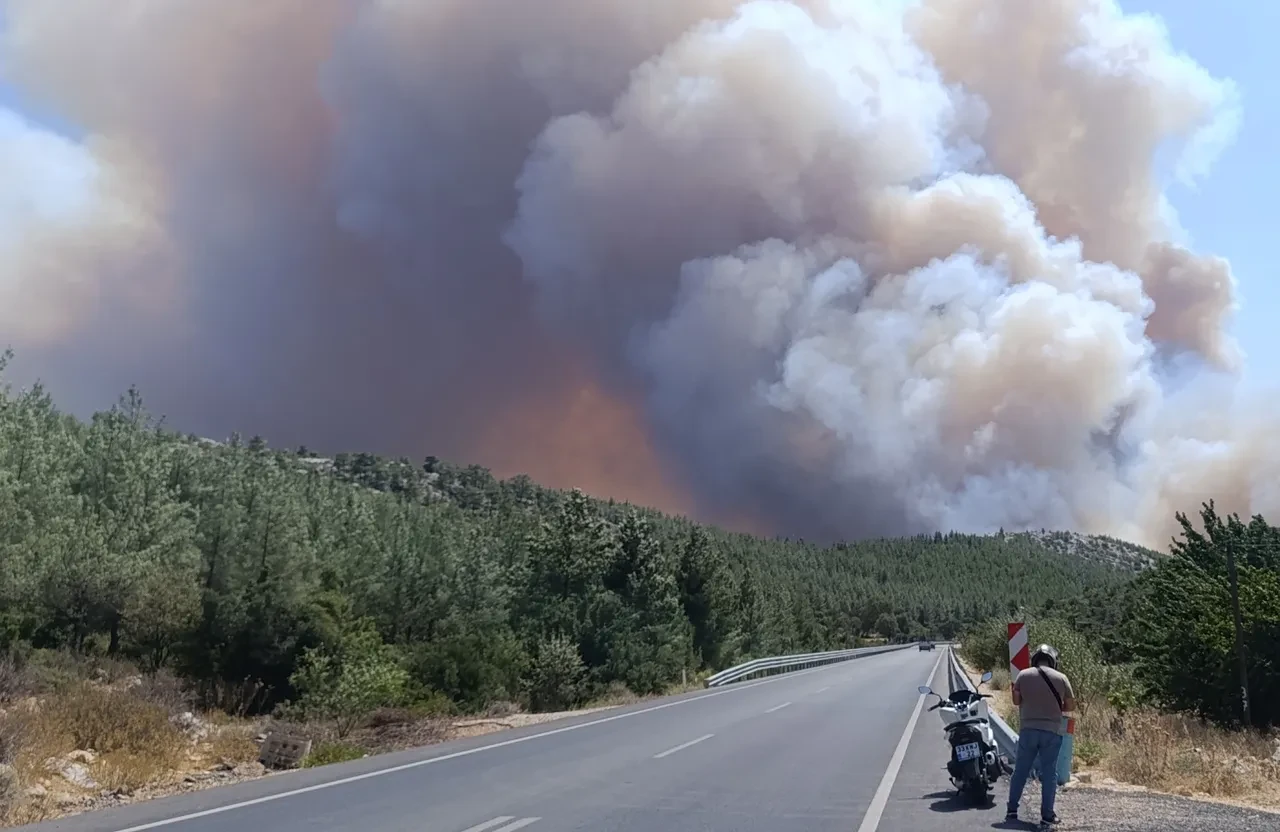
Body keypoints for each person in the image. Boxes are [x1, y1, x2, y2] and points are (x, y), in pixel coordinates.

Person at [1006, 643, 1075, 829]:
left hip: (1028, 730)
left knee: (1020, 770)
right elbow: (1070, 706)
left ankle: (1012, 809)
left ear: (1035, 659)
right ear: (1053, 661)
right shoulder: (1062, 678)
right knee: (1049, 774)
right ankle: (1047, 816)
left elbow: (1016, 700)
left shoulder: (1023, 675)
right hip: (1051, 732)